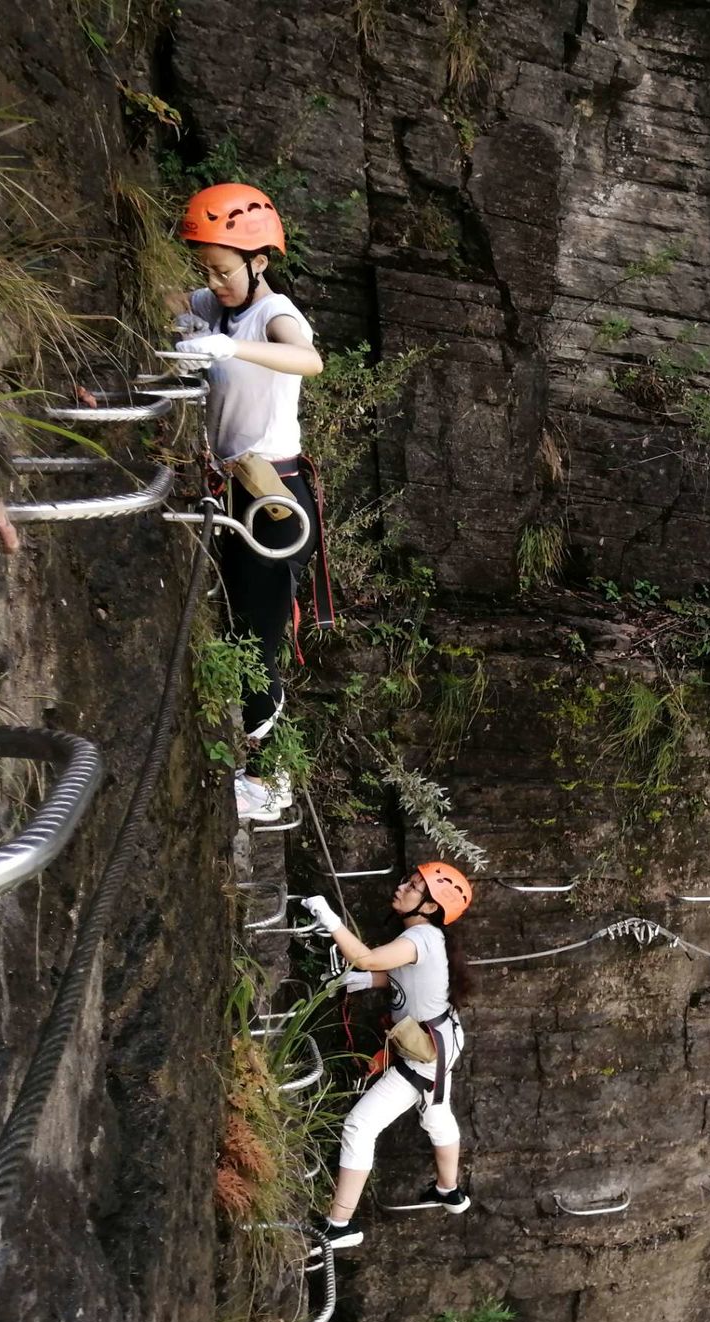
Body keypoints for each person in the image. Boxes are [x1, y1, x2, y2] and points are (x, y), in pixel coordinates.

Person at [173, 183, 326, 823]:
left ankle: (272, 782)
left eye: (225, 268)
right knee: (238, 627)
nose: (214, 280)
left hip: (274, 497)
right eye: (205, 267)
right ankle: (256, 763)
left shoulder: (273, 314)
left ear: (259, 261)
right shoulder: (213, 303)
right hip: (230, 485)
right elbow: (164, 302)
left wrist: (230, 347)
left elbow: (307, 358)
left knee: (259, 639)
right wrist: (189, 324)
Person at [300, 862, 474, 1251]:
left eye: (413, 887)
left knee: (360, 1126)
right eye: (408, 881)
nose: (402, 888)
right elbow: (402, 976)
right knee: (436, 1113)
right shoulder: (423, 937)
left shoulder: (423, 939)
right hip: (438, 1043)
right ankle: (450, 1192)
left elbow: (365, 958)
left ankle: (340, 1225)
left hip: (426, 1055)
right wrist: (364, 981)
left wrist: (329, 918)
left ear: (429, 907)